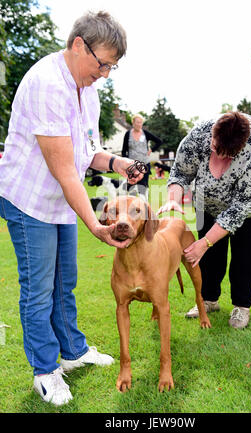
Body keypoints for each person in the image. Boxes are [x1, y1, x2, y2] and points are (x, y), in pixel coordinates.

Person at [0, 11, 144, 406]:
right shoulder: (48, 84)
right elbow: (65, 172)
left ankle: (74, 351)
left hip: (60, 200)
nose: (106, 74)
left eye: (113, 67)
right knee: (39, 288)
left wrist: (118, 164)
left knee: (66, 281)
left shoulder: (89, 88)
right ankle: (45, 371)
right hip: (29, 200)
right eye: (103, 64)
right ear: (79, 45)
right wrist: (97, 227)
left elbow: (85, 152)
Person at [158, 112, 251, 329]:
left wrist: (205, 242)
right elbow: (180, 172)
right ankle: (208, 300)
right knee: (209, 252)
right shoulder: (199, 135)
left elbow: (238, 210)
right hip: (208, 199)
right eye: (216, 149)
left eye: (228, 155)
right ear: (213, 134)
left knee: (245, 249)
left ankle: (242, 306)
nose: (220, 158)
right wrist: (173, 200)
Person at [122, 114, 162, 200]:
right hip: (131, 166)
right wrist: (125, 163)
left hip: (144, 165)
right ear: (133, 123)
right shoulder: (128, 134)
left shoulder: (145, 134)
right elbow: (123, 151)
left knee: (143, 188)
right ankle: (131, 208)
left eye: (141, 123)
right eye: (137, 122)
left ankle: (144, 207)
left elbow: (159, 141)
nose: (139, 124)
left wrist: (151, 149)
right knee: (131, 189)